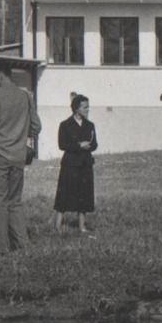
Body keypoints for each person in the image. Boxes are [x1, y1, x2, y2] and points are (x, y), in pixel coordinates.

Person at [0, 62, 41, 254]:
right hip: (18, 156)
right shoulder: (25, 95)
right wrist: (20, 137)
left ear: (1, 74)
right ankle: (24, 244)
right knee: (14, 201)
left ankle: (3, 249)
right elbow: (36, 127)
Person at [54, 93, 98, 234]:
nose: (88, 109)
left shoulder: (90, 125)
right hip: (70, 165)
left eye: (88, 107)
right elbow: (62, 144)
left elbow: (95, 144)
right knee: (64, 195)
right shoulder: (65, 125)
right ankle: (58, 225)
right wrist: (79, 146)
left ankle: (82, 226)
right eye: (85, 107)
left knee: (84, 196)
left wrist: (89, 146)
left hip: (85, 164)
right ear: (76, 108)